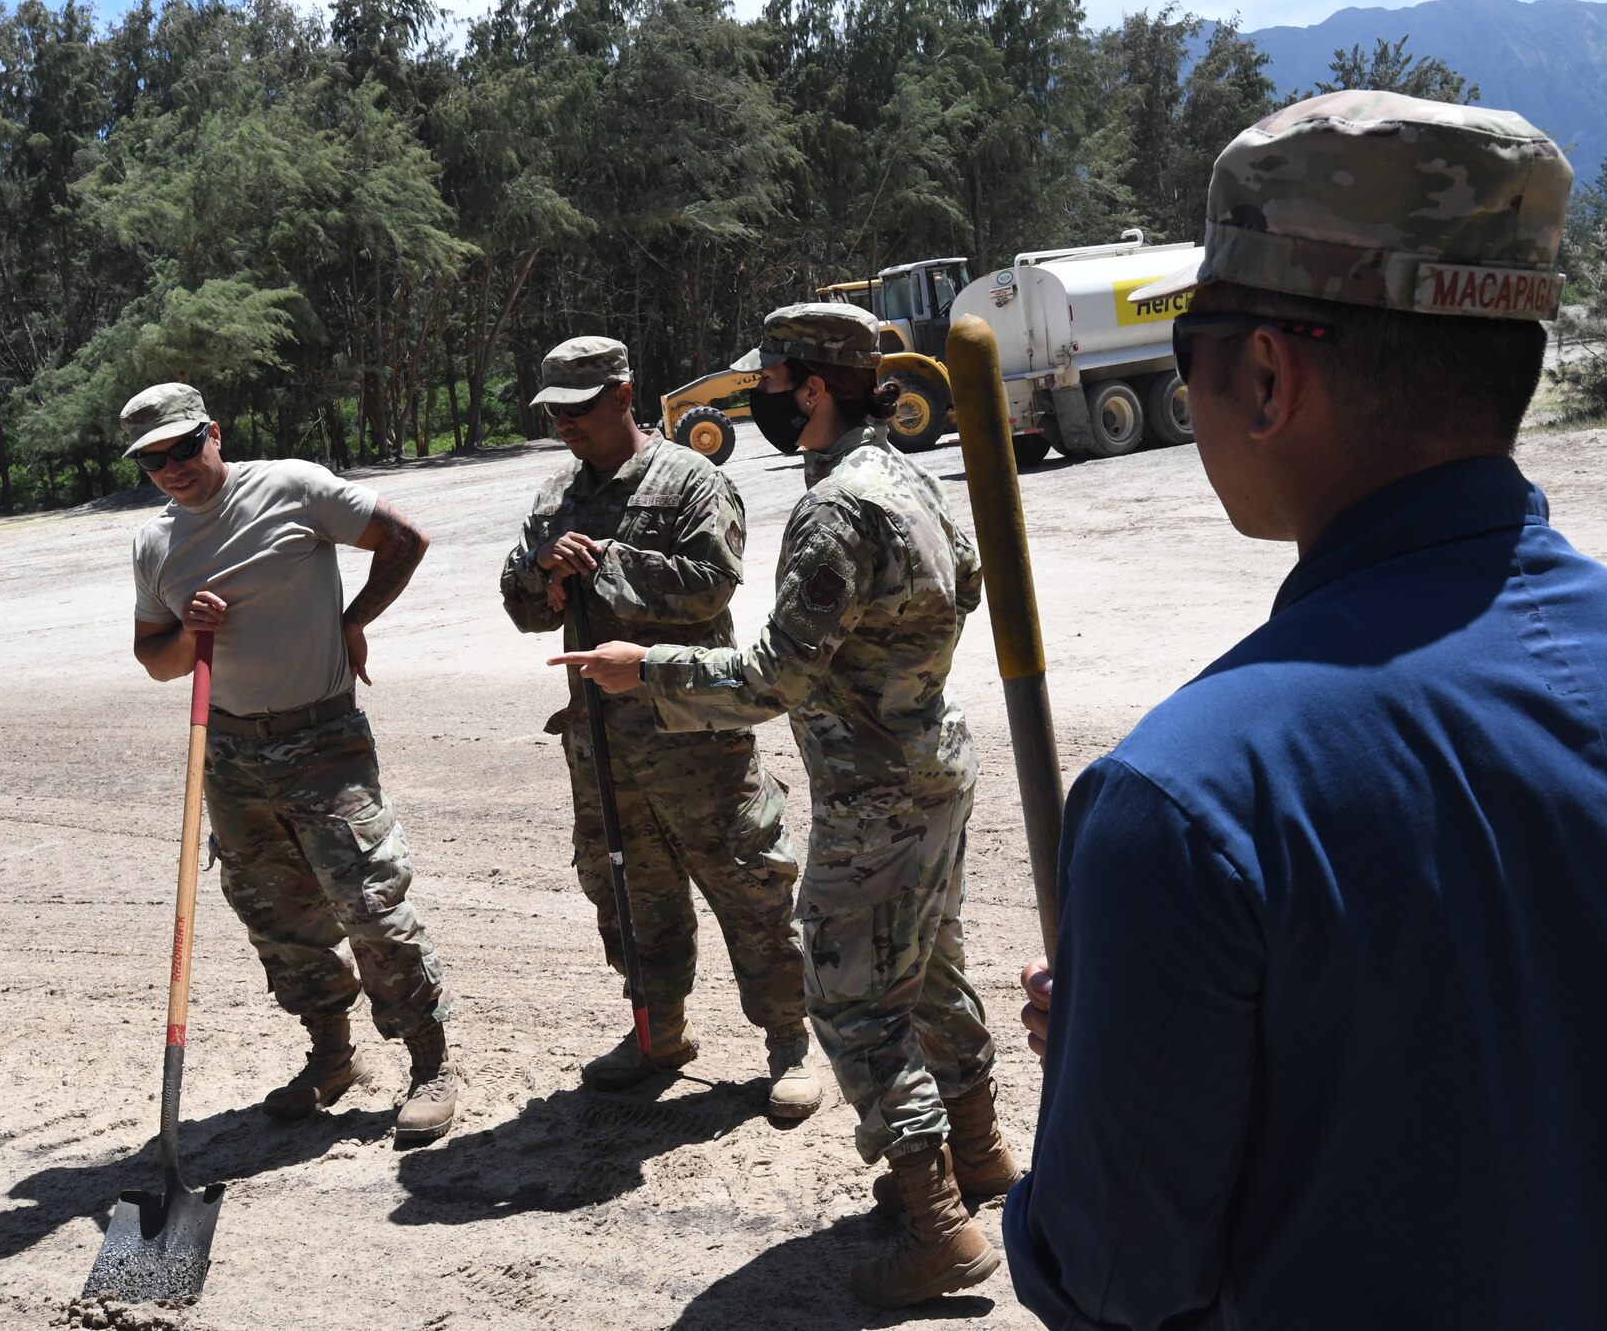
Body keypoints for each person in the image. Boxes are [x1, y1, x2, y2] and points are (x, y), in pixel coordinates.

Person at [1003, 91, 1607, 1329]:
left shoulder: (1187, 801)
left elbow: (1108, 1278)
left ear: (1265, 374)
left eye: (1191, 353)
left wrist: (1098, 1073)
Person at [553, 304, 1015, 1309]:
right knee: (928, 964)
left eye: (769, 379)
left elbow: (770, 679)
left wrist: (647, 669)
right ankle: (980, 1158)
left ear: (810, 387)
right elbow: (968, 583)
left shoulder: (836, 506)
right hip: (933, 758)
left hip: (873, 787)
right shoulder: (907, 474)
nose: (759, 394)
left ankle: (935, 1225)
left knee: (854, 998)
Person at [126, 382, 460, 1146]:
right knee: (277, 915)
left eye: (182, 447)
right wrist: (189, 632)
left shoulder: (293, 487)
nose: (172, 467)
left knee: (369, 899)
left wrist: (353, 619)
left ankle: (430, 1061)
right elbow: (156, 658)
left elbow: (405, 537)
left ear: (213, 432)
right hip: (232, 751)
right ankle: (331, 1056)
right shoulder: (154, 545)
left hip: (321, 738)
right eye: (152, 460)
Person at [499, 335, 820, 1118]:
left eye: (579, 410)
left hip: (693, 736)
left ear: (623, 395)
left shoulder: (691, 480)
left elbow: (710, 588)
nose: (566, 427)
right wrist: (543, 572)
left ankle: (788, 1042)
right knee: (629, 896)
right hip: (600, 745)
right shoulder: (554, 498)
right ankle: (658, 1033)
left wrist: (606, 560)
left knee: (747, 884)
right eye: (555, 415)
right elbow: (517, 605)